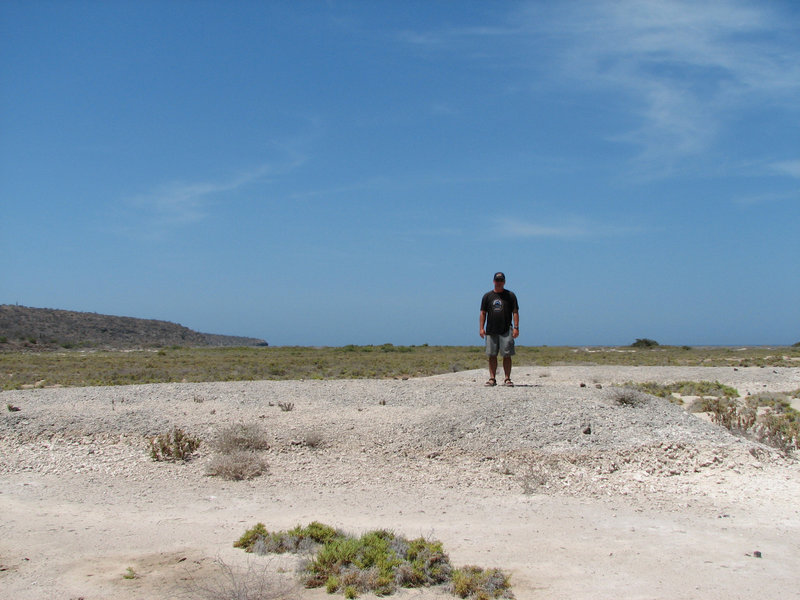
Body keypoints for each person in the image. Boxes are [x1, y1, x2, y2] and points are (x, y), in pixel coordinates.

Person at [479, 272, 519, 387]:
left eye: (501, 280)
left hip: (506, 330)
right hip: (491, 330)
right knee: (492, 354)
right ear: (493, 281)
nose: (499, 282)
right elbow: (483, 313)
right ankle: (492, 378)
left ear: (504, 282)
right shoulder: (487, 296)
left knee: (507, 354)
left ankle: (507, 378)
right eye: (497, 280)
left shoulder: (510, 295)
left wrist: (516, 327)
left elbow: (515, 312)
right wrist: (481, 328)